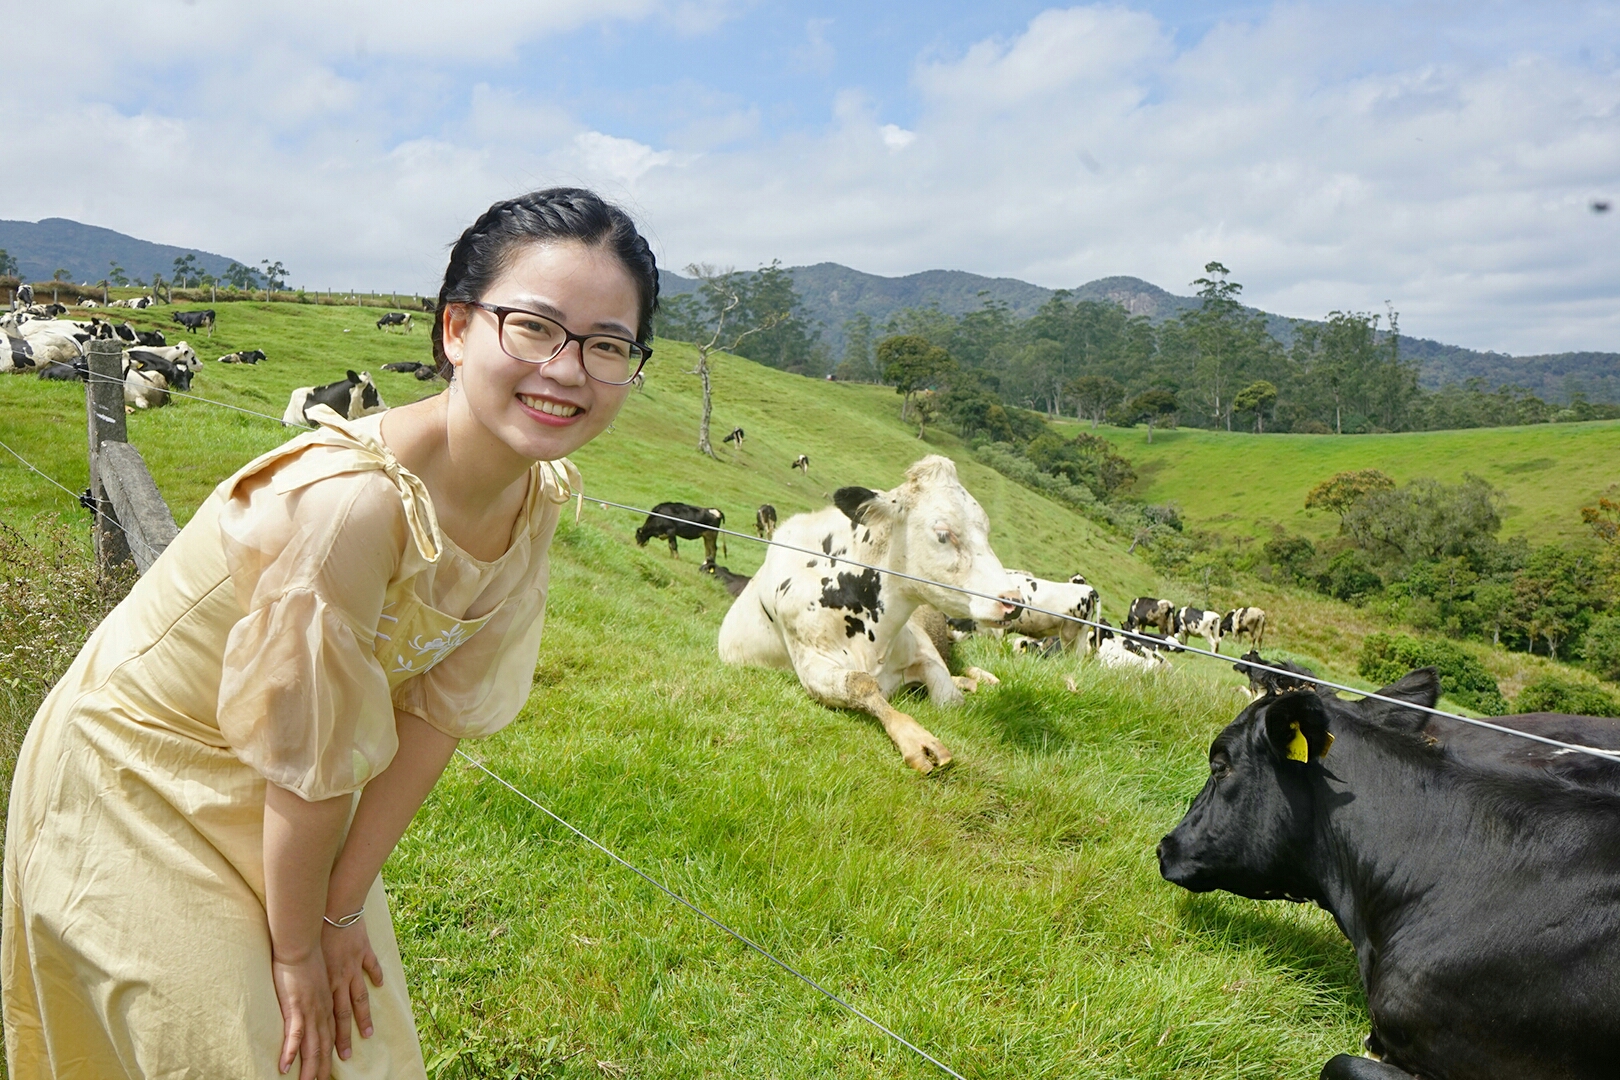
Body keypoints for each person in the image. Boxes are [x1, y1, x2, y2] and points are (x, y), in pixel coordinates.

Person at [2, 188, 658, 1079]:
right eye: (534, 328)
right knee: (243, 1054)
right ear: (456, 329)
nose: (569, 369)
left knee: (363, 1051)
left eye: (607, 345)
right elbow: (308, 764)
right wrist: (296, 951)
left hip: (289, 785)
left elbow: (438, 716)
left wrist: (338, 913)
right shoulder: (353, 504)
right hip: (140, 772)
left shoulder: (534, 496)